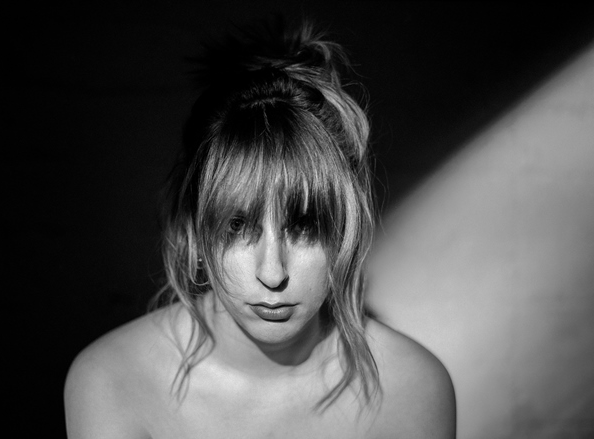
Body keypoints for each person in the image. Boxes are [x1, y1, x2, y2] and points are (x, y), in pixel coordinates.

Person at [64, 19, 456, 439]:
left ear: (345, 231)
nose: (272, 273)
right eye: (237, 226)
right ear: (194, 231)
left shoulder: (412, 389)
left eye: (305, 226)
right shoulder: (113, 381)